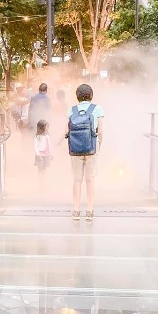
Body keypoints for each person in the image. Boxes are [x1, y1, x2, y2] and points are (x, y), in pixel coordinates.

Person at [67, 84, 104, 221]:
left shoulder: (71, 110)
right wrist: (99, 144)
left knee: (77, 180)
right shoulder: (97, 109)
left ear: (77, 96)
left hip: (75, 149)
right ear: (91, 95)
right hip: (91, 148)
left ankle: (76, 211)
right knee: (90, 180)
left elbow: (68, 130)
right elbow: (100, 131)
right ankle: (89, 211)